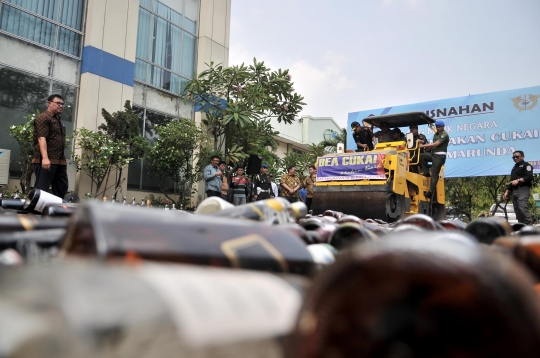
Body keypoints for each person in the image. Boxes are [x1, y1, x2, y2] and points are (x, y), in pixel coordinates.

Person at [32, 94, 69, 198]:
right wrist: (45, 158)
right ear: (49, 103)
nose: (61, 106)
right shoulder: (43, 118)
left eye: (62, 104)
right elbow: (41, 138)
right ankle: (35, 211)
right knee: (42, 189)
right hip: (46, 160)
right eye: (58, 103)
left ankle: (56, 211)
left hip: (59, 160)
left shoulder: (57, 119)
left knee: (62, 187)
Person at [419, 120, 450, 199]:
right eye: (437, 127)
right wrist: (426, 149)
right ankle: (426, 172)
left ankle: (430, 192)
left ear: (443, 127)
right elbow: (433, 146)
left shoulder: (445, 135)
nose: (438, 128)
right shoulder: (436, 134)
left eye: (439, 127)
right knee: (421, 156)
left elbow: (436, 144)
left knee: (434, 174)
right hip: (433, 154)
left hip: (439, 157)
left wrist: (423, 146)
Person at [502, 151, 533, 225]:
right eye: (514, 157)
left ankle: (529, 226)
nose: (515, 158)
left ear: (522, 157)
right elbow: (512, 181)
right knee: (517, 210)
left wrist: (518, 180)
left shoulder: (527, 165)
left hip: (523, 189)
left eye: (517, 157)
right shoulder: (514, 167)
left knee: (522, 208)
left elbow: (529, 177)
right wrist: (507, 191)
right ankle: (521, 226)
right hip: (514, 190)